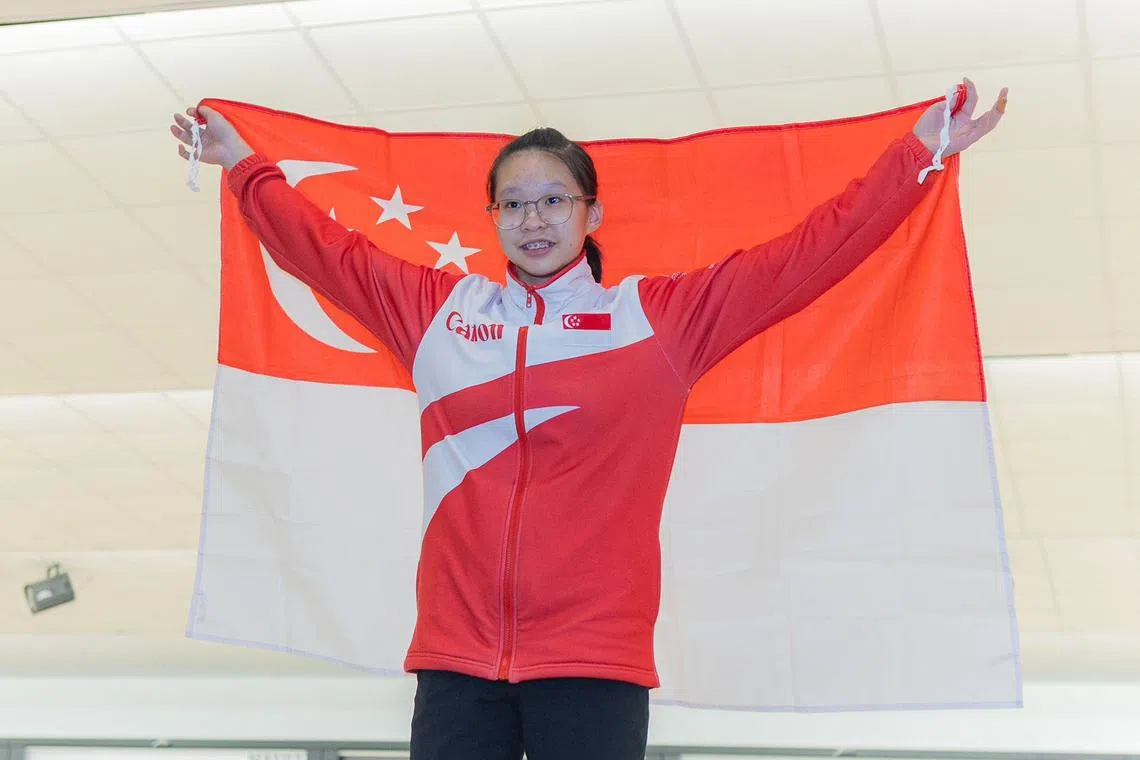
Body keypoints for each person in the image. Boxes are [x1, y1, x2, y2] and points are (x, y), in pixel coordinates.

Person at [170, 78, 1007, 760]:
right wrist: (241, 162)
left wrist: (917, 156)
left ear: (592, 215)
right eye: (513, 204)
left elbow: (808, 253)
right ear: (491, 219)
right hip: (457, 664)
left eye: (554, 200)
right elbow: (323, 247)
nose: (533, 220)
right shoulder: (437, 314)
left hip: (594, 666)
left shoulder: (662, 322)